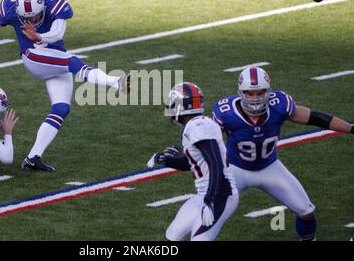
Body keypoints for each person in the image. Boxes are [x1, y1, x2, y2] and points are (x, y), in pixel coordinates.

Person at [149, 67, 354, 241]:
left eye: (260, 92)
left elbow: (316, 118)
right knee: (208, 208)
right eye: (250, 93)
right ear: (241, 93)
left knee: (307, 212)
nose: (255, 98)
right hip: (235, 170)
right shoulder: (225, 113)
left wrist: (351, 128)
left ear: (268, 92)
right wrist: (176, 160)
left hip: (269, 166)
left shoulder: (279, 104)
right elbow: (208, 154)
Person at [0, 0, 129, 172]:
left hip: (54, 59)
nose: (31, 20)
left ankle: (33, 157)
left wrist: (39, 35)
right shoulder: (9, 6)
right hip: (33, 56)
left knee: (61, 108)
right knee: (74, 62)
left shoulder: (55, 4)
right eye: (27, 18)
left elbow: (58, 33)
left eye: (35, 16)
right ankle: (116, 82)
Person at [148, 82, 239, 241]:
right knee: (173, 235)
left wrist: (210, 200)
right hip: (206, 195)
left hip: (220, 195)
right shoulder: (195, 125)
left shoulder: (198, 126)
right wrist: (166, 160)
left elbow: (215, 162)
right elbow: (191, 163)